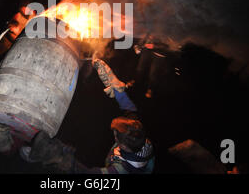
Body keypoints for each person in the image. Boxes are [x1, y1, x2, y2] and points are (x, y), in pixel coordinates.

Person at [20, 57, 155, 174]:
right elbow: (129, 108)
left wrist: (60, 158)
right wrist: (113, 83)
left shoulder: (122, 170)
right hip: (123, 152)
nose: (113, 133)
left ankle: (41, 155)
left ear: (123, 145)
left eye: (115, 134)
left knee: (67, 162)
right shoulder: (136, 131)